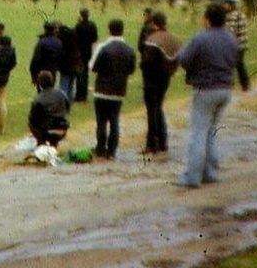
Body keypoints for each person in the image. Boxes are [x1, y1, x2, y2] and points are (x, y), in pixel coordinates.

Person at [175, 3, 240, 188]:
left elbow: (185, 59)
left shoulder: (200, 38)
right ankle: (210, 172)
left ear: (207, 19)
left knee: (198, 133)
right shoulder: (231, 39)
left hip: (205, 89)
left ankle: (192, 177)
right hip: (225, 89)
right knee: (210, 132)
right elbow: (235, 59)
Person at [87, 19, 137, 160]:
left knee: (101, 121)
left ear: (109, 30)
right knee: (114, 120)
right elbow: (132, 70)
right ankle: (112, 150)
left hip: (102, 90)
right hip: (119, 91)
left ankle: (101, 148)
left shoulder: (103, 47)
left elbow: (92, 67)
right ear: (122, 30)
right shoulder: (129, 50)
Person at [139, 11, 182, 154]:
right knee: (159, 108)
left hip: (151, 80)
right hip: (166, 78)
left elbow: (146, 62)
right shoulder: (174, 39)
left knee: (152, 111)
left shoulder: (152, 39)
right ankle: (163, 143)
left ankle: (152, 144)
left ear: (153, 23)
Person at [28, 70, 70, 148]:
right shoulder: (62, 94)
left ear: (40, 84)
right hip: (62, 129)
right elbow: (67, 108)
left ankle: (41, 144)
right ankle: (54, 144)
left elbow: (33, 119)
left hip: (47, 131)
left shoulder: (38, 99)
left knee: (32, 124)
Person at [223, 0, 250, 91]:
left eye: (225, 4)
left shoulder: (231, 16)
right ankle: (245, 85)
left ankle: (230, 84)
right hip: (242, 44)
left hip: (235, 45)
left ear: (231, 5)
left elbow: (230, 31)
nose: (224, 6)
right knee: (240, 65)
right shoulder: (241, 14)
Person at [73, 9, 98, 102]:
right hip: (88, 51)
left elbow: (75, 37)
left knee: (79, 73)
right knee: (85, 74)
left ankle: (79, 95)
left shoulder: (78, 26)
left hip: (79, 52)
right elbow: (94, 38)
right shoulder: (92, 25)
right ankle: (84, 95)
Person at [28, 22, 63, 88]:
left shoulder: (41, 42)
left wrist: (33, 75)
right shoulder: (58, 42)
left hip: (41, 70)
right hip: (52, 69)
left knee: (41, 90)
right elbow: (60, 57)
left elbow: (35, 59)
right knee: (50, 88)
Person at [56, 20, 83, 100]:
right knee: (71, 86)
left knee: (64, 85)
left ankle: (62, 104)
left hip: (66, 66)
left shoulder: (62, 40)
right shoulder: (73, 37)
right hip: (75, 64)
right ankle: (68, 105)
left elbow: (60, 54)